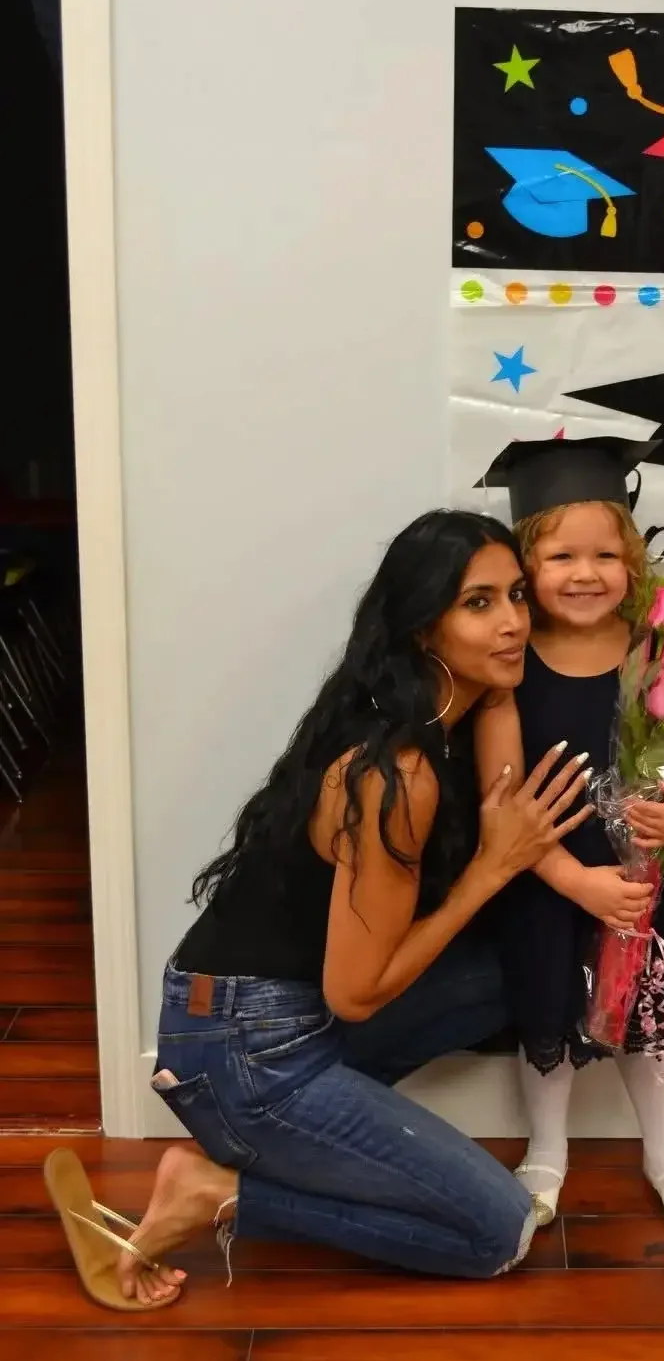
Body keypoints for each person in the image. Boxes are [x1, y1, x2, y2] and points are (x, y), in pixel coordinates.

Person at [43, 509, 592, 1311]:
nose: (513, 622)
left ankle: (294, 1137)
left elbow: (504, 740)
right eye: (478, 604)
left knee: (510, 969)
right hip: (245, 1050)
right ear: (420, 627)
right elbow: (356, 996)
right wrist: (487, 870)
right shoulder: (397, 772)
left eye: (516, 595)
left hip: (255, 1012)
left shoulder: (424, 710)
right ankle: (215, 1188)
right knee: (497, 1233)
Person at [476, 437, 664, 1232]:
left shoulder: (663, 651)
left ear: (632, 562)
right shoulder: (510, 664)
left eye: (604, 555)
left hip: (644, 879)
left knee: (645, 1020)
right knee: (547, 1012)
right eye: (560, 557)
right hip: (550, 880)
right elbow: (502, 797)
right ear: (525, 565)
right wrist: (570, 878)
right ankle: (547, 1148)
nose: (585, 574)